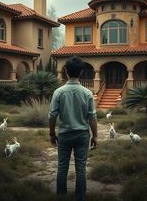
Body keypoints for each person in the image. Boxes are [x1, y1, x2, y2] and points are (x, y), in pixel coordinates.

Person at [48, 56, 98, 201]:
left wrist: (52, 134)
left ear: (65, 71)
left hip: (64, 134)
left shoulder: (59, 92)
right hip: (82, 135)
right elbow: (92, 117)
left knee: (62, 167)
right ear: (81, 72)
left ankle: (61, 197)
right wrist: (95, 136)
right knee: (81, 168)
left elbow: (52, 116)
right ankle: (80, 198)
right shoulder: (87, 93)